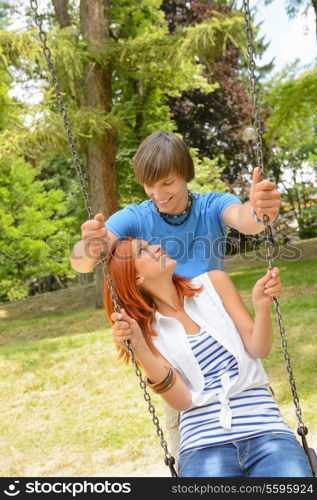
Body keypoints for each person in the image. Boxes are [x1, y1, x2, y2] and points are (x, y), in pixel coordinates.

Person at [70, 130, 281, 460]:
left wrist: (259, 208)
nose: (158, 194)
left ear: (185, 174)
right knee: (186, 443)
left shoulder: (212, 204)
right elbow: (84, 261)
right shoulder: (136, 216)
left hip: (220, 333)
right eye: (149, 185)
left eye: (167, 182)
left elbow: (247, 219)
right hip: (173, 347)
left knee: (256, 427)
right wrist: (89, 244)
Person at [104, 237, 312, 477]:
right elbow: (181, 401)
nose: (157, 247)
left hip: (265, 430)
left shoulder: (213, 284)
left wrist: (261, 306)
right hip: (203, 445)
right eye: (144, 251)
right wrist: (140, 348)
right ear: (137, 278)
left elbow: (259, 349)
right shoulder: (145, 332)